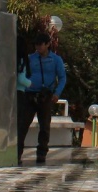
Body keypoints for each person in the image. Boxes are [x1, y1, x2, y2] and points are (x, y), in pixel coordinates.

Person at [17, 32, 65, 164]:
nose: (38, 47)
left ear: (48, 44)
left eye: (40, 44)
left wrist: (57, 93)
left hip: (46, 95)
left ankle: (42, 153)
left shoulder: (55, 60)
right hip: (30, 94)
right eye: (36, 45)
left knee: (44, 126)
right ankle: (17, 153)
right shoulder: (31, 58)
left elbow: (62, 78)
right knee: (22, 125)